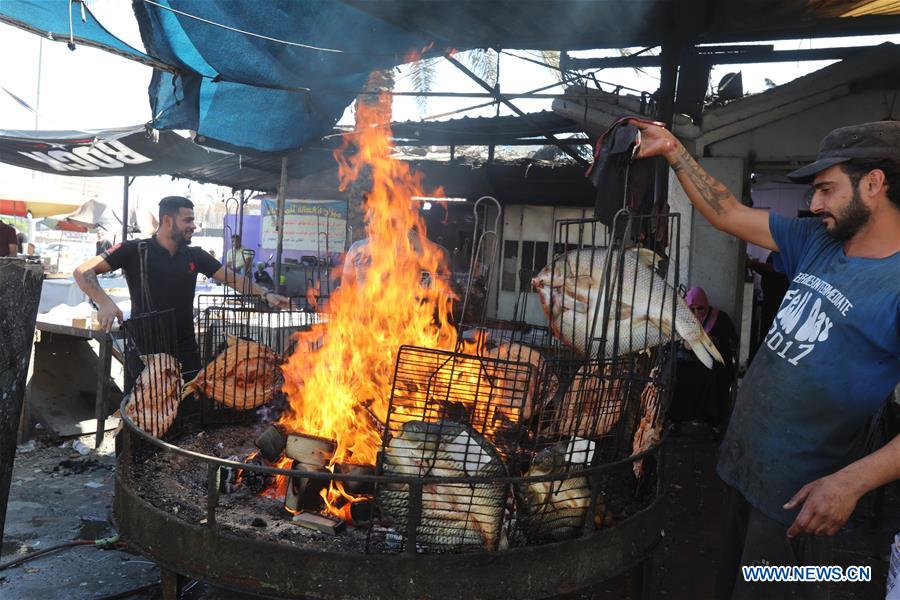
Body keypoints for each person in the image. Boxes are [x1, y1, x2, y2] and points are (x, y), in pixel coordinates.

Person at [632, 119, 900, 599]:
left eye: (827, 189)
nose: (814, 204)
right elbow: (728, 212)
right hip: (747, 472)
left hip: (802, 500)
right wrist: (674, 150)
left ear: (874, 183)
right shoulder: (817, 240)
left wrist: (852, 483)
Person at [74, 196, 290, 380]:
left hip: (185, 352)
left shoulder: (195, 255)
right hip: (144, 352)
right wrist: (104, 302)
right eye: (188, 220)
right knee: (144, 413)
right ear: (168, 220)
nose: (193, 226)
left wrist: (266, 294)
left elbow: (234, 279)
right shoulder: (134, 250)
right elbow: (83, 271)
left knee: (188, 412)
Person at [671, 286, 738, 433]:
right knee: (676, 374)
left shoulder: (720, 318)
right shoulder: (681, 319)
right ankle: (677, 420)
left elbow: (732, 342)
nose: (696, 313)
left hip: (713, 363)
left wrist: (714, 342)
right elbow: (672, 343)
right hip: (688, 362)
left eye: (700, 308)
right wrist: (684, 344)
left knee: (716, 377)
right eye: (692, 309)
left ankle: (712, 422)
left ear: (706, 305)